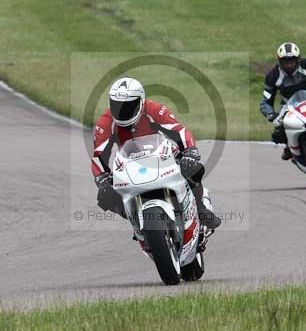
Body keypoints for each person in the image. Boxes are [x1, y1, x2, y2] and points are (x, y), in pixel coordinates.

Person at [91, 77, 221, 232]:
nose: (122, 111)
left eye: (129, 106)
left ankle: (200, 209)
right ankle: (138, 223)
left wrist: (190, 152)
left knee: (194, 168)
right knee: (105, 196)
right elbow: (98, 155)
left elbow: (179, 131)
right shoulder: (105, 122)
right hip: (130, 163)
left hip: (163, 155)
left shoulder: (154, 109)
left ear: (141, 101)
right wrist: (102, 178)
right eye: (117, 106)